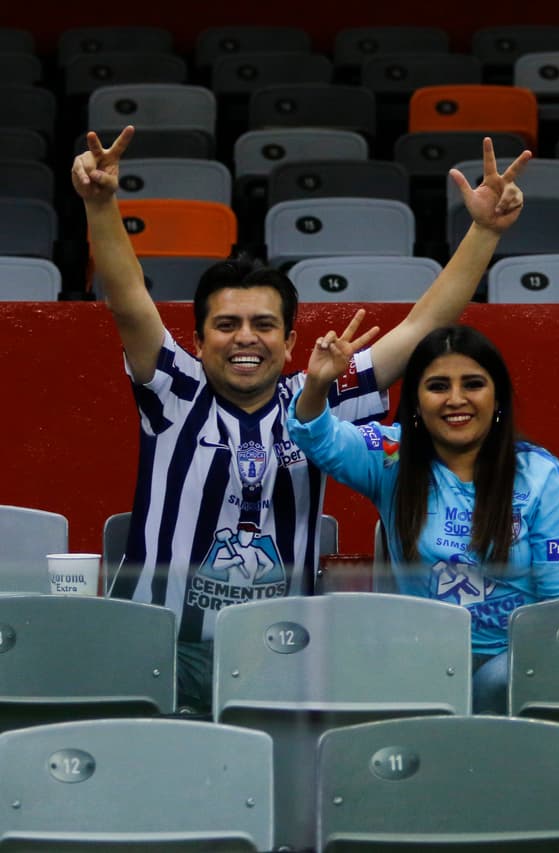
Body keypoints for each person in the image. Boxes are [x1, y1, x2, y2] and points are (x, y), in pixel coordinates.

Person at [71, 126, 530, 711]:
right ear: (198, 339)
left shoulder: (317, 397)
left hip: (279, 657)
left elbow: (421, 328)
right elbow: (128, 297)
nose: (245, 338)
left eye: (263, 326)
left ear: (289, 342)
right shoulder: (174, 391)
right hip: (160, 650)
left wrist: (485, 231)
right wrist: (102, 203)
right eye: (227, 325)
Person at [287, 322, 559, 713]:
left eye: (473, 384)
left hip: (517, 669)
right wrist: (317, 385)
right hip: (421, 666)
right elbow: (316, 435)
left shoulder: (540, 473)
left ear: (497, 397)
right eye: (437, 387)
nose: (456, 399)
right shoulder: (392, 455)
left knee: (496, 682)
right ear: (415, 401)